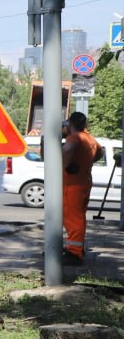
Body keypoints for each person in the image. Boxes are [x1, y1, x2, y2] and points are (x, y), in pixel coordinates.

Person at [61, 112, 102, 265]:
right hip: (84, 181)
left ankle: (74, 253)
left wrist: (64, 164)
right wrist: (85, 162)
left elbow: (68, 149)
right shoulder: (90, 139)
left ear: (70, 124)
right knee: (79, 217)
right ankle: (75, 246)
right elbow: (100, 152)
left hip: (72, 184)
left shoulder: (74, 137)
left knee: (72, 218)